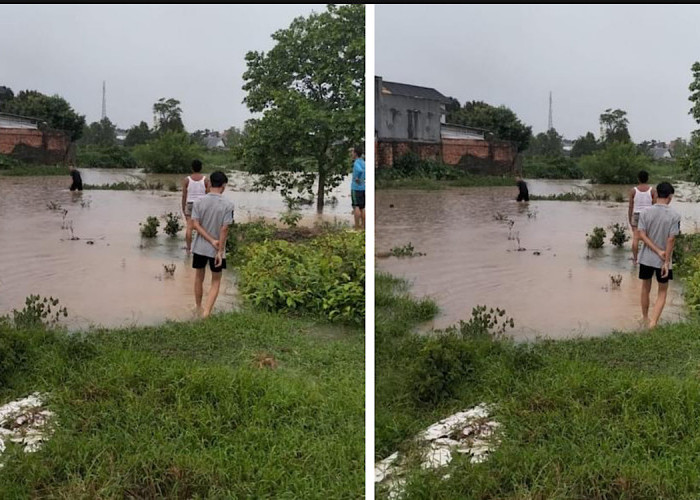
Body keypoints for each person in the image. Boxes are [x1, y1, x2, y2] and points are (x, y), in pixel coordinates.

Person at [191, 171, 234, 318]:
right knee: (216, 281)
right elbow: (224, 228)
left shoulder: (198, 202)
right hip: (217, 250)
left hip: (199, 247)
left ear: (209, 183)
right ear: (223, 186)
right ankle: (206, 313)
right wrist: (219, 250)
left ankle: (198, 307)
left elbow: (195, 225)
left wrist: (209, 239)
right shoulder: (228, 204)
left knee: (198, 277)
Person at [637, 181, 680, 329]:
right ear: (670, 196)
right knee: (662, 291)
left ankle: (644, 318)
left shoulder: (645, 212)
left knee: (645, 288)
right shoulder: (674, 215)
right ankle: (653, 323)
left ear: (655, 194)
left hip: (646, 258)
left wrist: (655, 250)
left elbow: (641, 234)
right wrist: (666, 260)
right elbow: (671, 239)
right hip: (663, 261)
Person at [181, 159, 210, 254]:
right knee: (201, 227)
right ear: (201, 168)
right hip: (202, 204)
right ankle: (200, 248)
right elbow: (208, 195)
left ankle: (188, 249)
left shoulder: (187, 180)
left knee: (189, 227)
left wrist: (183, 207)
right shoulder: (205, 180)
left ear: (192, 168)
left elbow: (184, 195)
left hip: (190, 204)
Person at [628, 170, 657, 265]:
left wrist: (630, 219)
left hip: (636, 215)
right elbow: (655, 206)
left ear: (638, 179)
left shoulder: (633, 190)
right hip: (648, 215)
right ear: (647, 178)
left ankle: (635, 259)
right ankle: (647, 259)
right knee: (648, 238)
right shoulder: (652, 190)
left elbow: (630, 206)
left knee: (636, 238)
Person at [351, 145, 365, 230]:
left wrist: (357, 177)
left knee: (356, 207)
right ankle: (363, 226)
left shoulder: (356, 163)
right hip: (363, 187)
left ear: (355, 153)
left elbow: (360, 170)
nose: (351, 154)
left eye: (352, 152)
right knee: (362, 207)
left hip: (356, 188)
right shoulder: (363, 162)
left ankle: (356, 226)